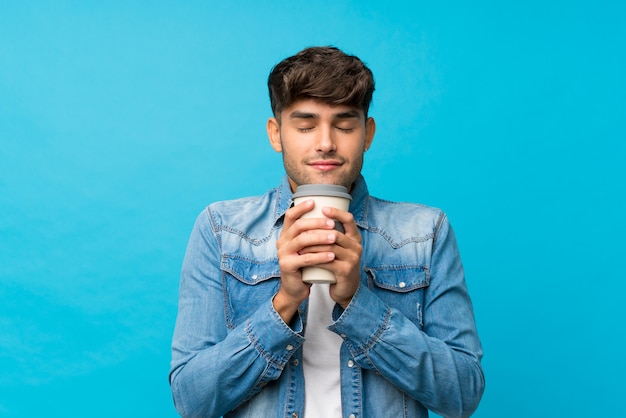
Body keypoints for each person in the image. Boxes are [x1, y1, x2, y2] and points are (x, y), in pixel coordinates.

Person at [169, 46, 484, 418]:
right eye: (305, 126)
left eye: (345, 125)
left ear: (367, 133)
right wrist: (284, 301)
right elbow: (193, 400)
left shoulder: (425, 232)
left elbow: (463, 394)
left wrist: (357, 303)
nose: (325, 143)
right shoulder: (221, 230)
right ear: (276, 134)